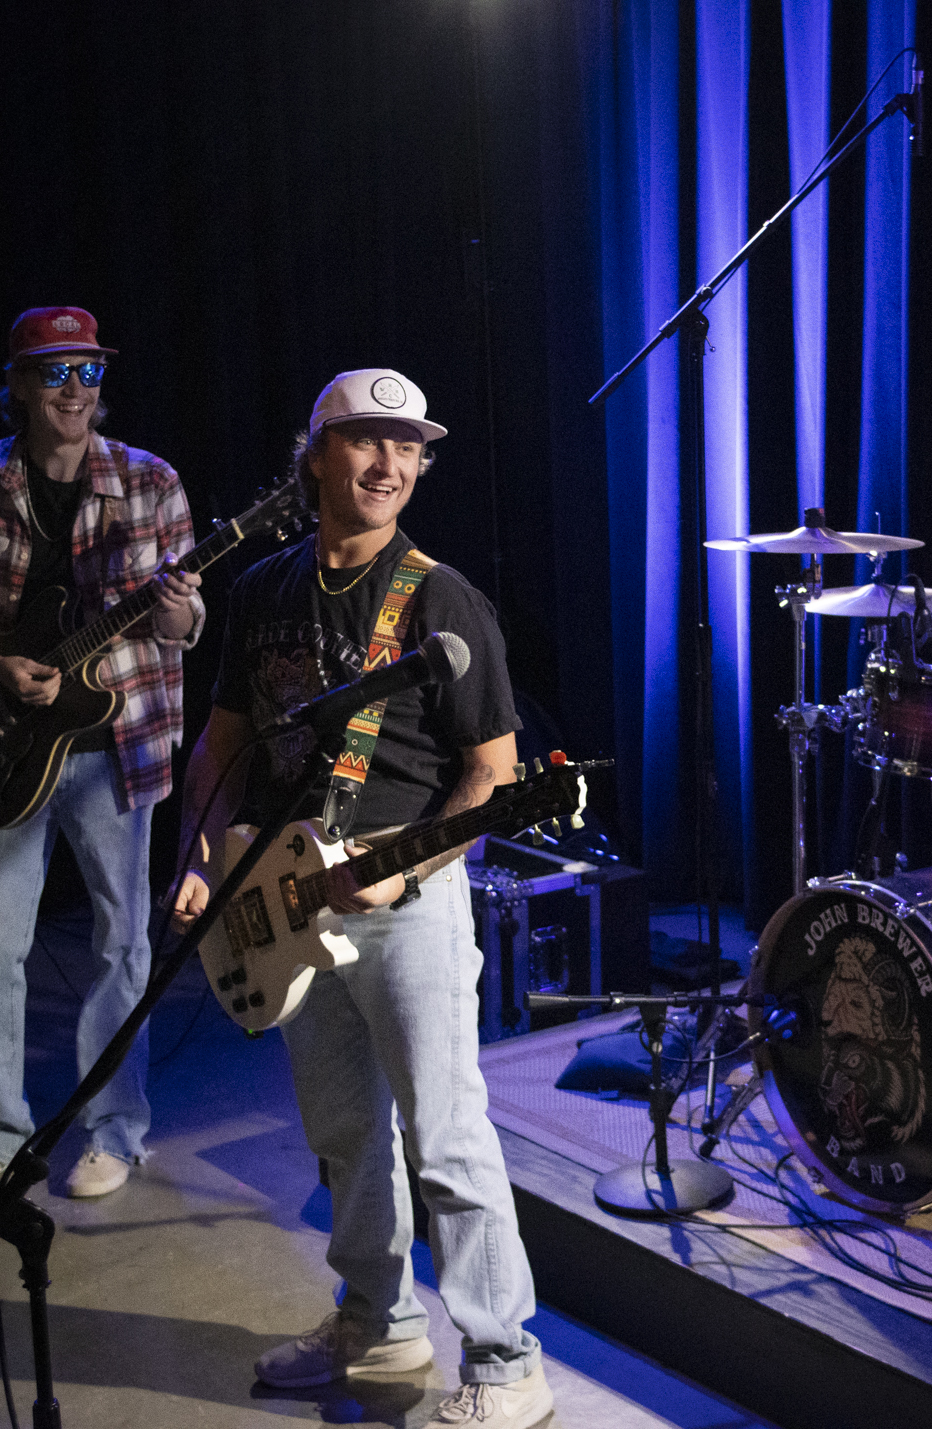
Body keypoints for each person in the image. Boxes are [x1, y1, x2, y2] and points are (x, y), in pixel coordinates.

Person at [170, 369, 553, 1428]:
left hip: (405, 902)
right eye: (364, 441)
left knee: (446, 1134)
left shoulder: (440, 598)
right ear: (316, 457)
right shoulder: (261, 591)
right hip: (287, 897)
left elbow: (492, 774)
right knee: (343, 1130)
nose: (388, 464)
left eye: (408, 446)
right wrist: (200, 859)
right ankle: (376, 1326)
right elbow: (224, 743)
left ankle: (505, 1358)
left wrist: (413, 863)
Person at [0, 307, 203, 1200]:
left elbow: (186, 630)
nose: (77, 389)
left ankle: (115, 1129)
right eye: (56, 372)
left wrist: (180, 603)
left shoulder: (152, 482)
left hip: (120, 741)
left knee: (122, 941)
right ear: (22, 386)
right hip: (8, 740)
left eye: (90, 372)